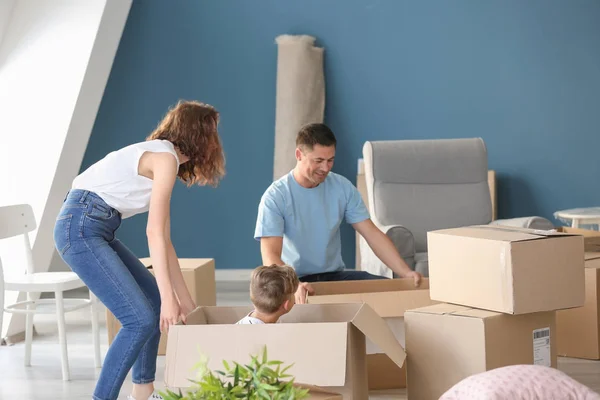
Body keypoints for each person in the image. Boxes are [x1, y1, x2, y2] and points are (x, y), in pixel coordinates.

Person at [53, 100, 225, 400]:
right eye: (212, 133)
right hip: (81, 227)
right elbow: (154, 234)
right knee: (140, 318)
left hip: (94, 226)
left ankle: (142, 393)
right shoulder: (165, 159)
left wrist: (186, 303)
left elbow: (165, 242)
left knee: (155, 304)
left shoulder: (164, 158)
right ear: (200, 135)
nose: (215, 142)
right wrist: (170, 300)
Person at [254, 122, 421, 304]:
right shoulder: (275, 196)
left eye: (330, 160)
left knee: (389, 291)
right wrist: (293, 285)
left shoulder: (342, 187)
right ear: (299, 155)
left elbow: (372, 234)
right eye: (318, 161)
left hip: (334, 276)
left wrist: (406, 272)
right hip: (295, 279)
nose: (326, 168)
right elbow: (270, 256)